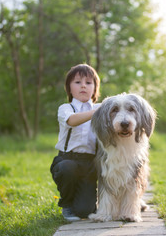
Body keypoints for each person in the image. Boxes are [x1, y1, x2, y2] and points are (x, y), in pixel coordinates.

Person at [50, 64, 101, 222]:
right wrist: (96, 113)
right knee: (68, 169)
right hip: (67, 159)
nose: (83, 85)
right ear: (69, 88)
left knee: (85, 211)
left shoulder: (100, 107)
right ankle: (66, 204)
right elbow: (71, 121)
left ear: (94, 88)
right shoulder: (66, 108)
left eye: (88, 82)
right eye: (77, 82)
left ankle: (85, 201)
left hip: (89, 163)